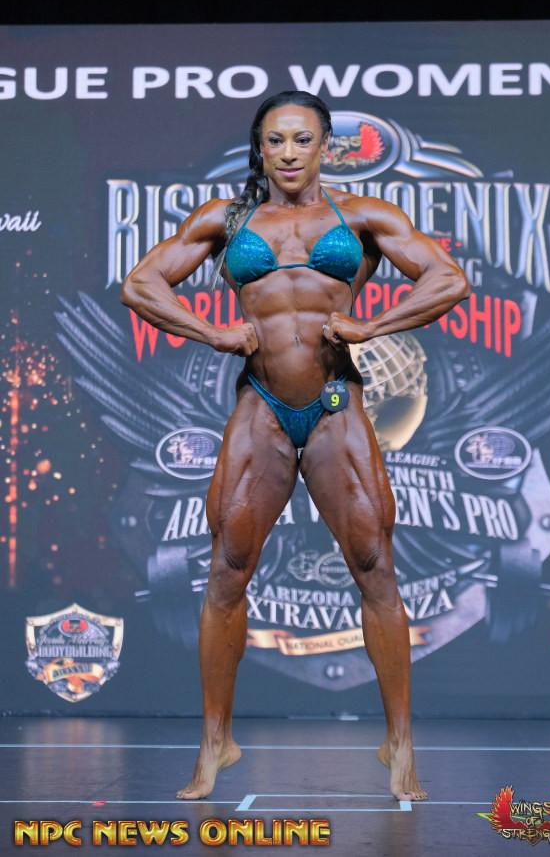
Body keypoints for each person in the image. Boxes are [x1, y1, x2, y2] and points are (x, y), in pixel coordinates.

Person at [120, 90, 469, 802]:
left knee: (374, 565)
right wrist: (211, 332)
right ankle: (215, 742)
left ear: (324, 147)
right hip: (262, 405)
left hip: (337, 403)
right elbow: (140, 283)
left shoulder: (362, 216)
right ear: (259, 147)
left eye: (302, 140)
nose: (287, 153)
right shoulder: (227, 218)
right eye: (275, 140)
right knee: (228, 569)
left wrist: (374, 326)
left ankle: (400, 743)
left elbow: (448, 278)